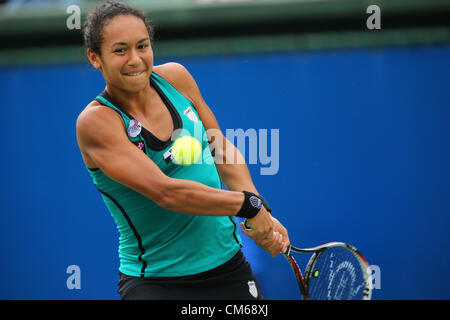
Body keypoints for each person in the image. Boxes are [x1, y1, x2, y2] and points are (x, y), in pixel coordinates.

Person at [76, 0, 290, 300]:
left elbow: (219, 147)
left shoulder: (176, 77)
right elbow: (167, 193)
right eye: (120, 50)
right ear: (95, 57)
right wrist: (247, 206)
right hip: (157, 285)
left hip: (229, 269)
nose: (135, 59)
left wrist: (258, 206)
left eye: (143, 46)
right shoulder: (97, 122)